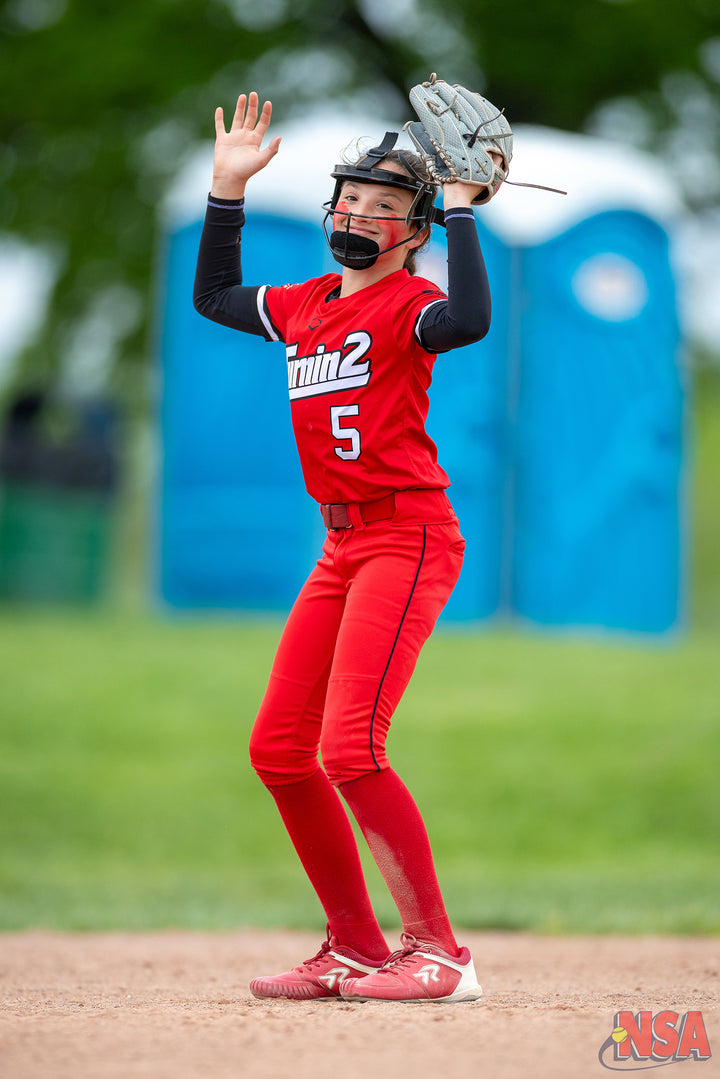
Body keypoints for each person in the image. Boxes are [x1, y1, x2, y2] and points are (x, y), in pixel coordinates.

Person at [194, 91, 496, 1003]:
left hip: (407, 536)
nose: (359, 213)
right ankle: (357, 946)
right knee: (279, 751)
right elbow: (213, 295)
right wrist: (225, 190)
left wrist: (470, 211)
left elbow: (471, 323)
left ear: (418, 228)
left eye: (384, 205)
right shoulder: (306, 303)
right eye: (349, 199)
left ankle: (440, 953)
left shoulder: (416, 302)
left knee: (351, 749)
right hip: (342, 549)